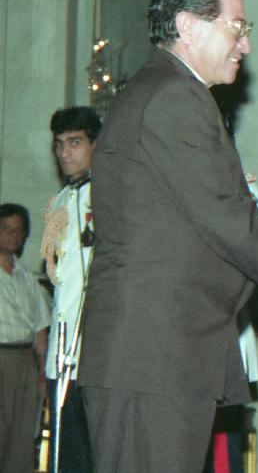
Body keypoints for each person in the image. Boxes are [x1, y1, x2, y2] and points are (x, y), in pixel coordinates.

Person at [76, 0, 258, 471]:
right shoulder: (174, 96)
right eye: (237, 27)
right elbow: (225, 215)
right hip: (153, 355)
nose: (246, 45)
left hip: (157, 354)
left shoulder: (161, 90)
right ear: (188, 26)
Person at [40, 106, 101, 473]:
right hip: (62, 351)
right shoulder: (61, 201)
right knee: (64, 454)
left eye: (75, 143)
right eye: (60, 144)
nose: (65, 152)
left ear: (96, 145)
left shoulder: (109, 195)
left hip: (96, 350)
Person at [0, 203, 50, 473]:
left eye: (18, 230)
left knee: (22, 432)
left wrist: (42, 372)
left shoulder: (27, 278)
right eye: (5, 228)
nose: (12, 234)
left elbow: (40, 328)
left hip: (24, 362)